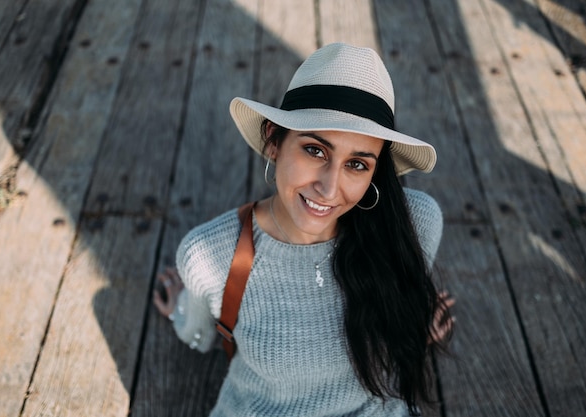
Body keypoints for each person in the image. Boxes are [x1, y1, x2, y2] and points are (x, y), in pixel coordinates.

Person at [153, 42, 454, 416]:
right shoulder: (209, 254)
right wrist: (181, 309)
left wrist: (413, 326)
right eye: (315, 151)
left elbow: (392, 326)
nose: (329, 189)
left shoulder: (414, 224)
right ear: (274, 140)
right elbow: (200, 334)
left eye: (357, 165)